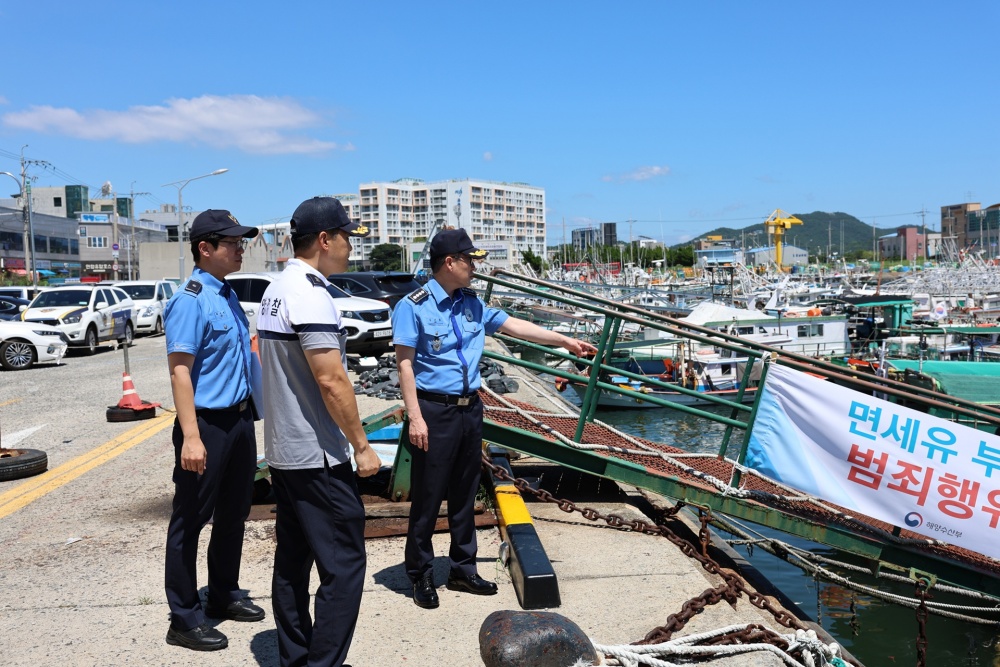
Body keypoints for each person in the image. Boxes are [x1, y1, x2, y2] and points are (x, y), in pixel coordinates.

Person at [392, 228, 598, 609]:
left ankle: (462, 568)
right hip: (433, 410)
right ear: (449, 263)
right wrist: (416, 417)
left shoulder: (471, 302)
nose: (475, 267)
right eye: (469, 260)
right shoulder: (413, 306)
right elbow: (405, 364)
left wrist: (565, 341)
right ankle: (419, 573)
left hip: (470, 408)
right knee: (427, 495)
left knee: (465, 490)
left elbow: (514, 326)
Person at [258, 197, 382, 667]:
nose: (351, 247)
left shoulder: (277, 288)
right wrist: (362, 446)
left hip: (284, 451)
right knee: (345, 566)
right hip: (317, 456)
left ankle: (295, 657)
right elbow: (331, 380)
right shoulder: (312, 295)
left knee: (292, 561)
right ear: (325, 240)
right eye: (347, 236)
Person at [163, 209, 264, 652]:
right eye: (233, 242)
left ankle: (223, 592)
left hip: (239, 421)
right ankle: (184, 617)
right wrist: (191, 436)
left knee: (234, 514)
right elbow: (180, 373)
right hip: (205, 424)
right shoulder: (190, 299)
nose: (241, 248)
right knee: (190, 520)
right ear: (205, 248)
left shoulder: (226, 295)